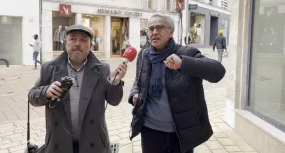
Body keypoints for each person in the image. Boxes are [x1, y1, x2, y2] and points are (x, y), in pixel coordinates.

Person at [129, 14, 226, 153]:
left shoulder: (187, 53)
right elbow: (138, 82)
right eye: (150, 29)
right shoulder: (144, 55)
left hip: (180, 132)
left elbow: (218, 72)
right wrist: (134, 95)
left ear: (171, 32)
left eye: (160, 27)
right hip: (149, 130)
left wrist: (183, 64)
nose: (154, 32)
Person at [28, 25, 127, 153]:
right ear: (65, 43)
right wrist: (46, 92)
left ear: (90, 45)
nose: (77, 44)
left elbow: (114, 101)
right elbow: (32, 96)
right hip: (59, 143)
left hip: (94, 143)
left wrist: (115, 82)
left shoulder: (102, 69)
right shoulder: (50, 68)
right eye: (73, 39)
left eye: (83, 40)